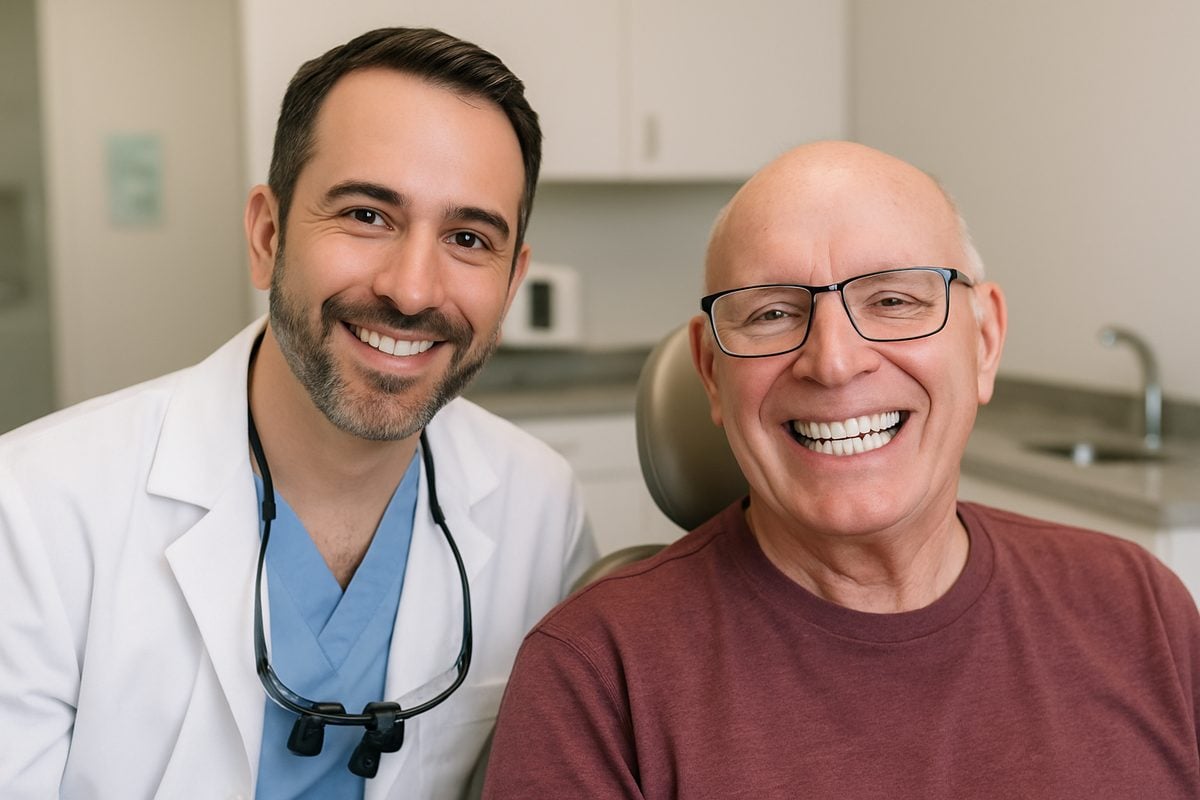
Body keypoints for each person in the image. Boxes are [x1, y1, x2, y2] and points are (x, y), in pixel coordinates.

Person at [483, 141, 1200, 798]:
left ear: (985, 341)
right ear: (710, 373)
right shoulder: (594, 678)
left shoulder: (1142, 609)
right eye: (771, 314)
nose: (833, 362)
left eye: (893, 301)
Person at [0, 27, 597, 799]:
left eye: (467, 237)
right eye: (367, 216)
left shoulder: (542, 509)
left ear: (511, 282)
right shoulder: (33, 509)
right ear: (267, 235)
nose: (412, 289)